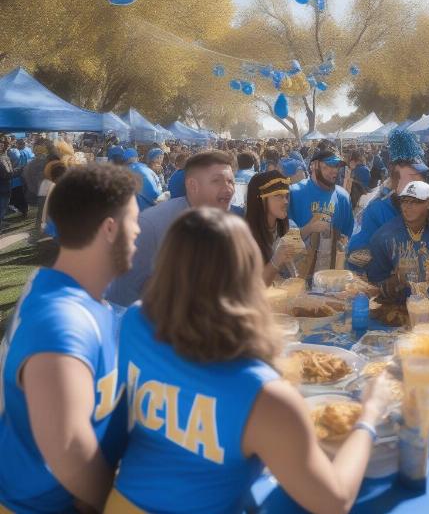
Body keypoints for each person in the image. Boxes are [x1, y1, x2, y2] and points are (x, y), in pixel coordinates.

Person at [105, 208, 390, 514]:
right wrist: (370, 414)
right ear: (246, 278)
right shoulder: (264, 394)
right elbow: (333, 501)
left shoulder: (135, 321)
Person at [0, 164, 140, 512]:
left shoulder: (71, 295)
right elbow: (71, 455)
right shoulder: (62, 323)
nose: (139, 230)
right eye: (134, 219)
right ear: (111, 228)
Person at [106, 150, 236, 307]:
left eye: (231, 181)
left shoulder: (232, 223)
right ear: (192, 185)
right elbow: (123, 297)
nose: (228, 188)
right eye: (217, 181)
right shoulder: (151, 225)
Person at [346, 130, 428, 272]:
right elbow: (355, 257)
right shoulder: (377, 211)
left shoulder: (428, 206)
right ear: (395, 178)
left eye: (420, 177)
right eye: (411, 177)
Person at [367, 181, 429, 302]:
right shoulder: (383, 238)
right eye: (404, 201)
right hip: (397, 311)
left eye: (415, 202)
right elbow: (372, 286)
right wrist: (393, 282)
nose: (408, 206)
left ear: (428, 203)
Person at [288, 148, 354, 276]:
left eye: (337, 166)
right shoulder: (294, 193)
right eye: (328, 165)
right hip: (298, 274)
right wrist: (309, 228)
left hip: (330, 276)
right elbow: (283, 241)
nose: (334, 170)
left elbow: (347, 237)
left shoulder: (343, 197)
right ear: (314, 166)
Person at [245, 170, 297, 285]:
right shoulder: (244, 237)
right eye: (278, 195)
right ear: (260, 199)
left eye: (286, 196)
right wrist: (276, 261)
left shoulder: (286, 228)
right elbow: (250, 287)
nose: (285, 201)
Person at [0, 137, 13, 233]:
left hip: (6, 184)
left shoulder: (4, 155)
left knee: (4, 203)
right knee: (3, 204)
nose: (1, 146)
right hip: (3, 185)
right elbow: (4, 174)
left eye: (2, 145)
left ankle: (1, 220)